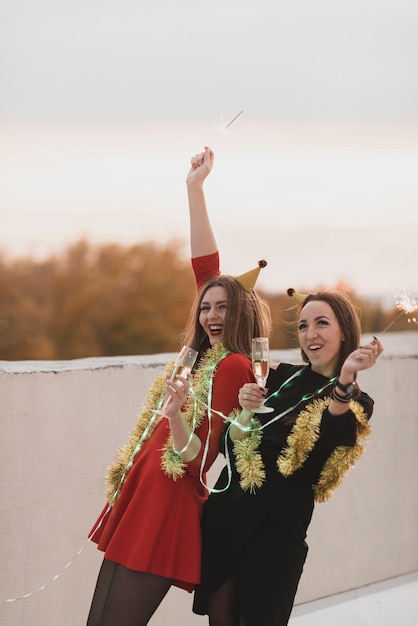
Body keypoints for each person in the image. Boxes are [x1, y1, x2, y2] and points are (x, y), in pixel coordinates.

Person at [187, 150, 384, 625]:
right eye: (304, 326)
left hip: (275, 542)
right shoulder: (273, 376)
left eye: (323, 323)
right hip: (226, 522)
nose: (311, 333)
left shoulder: (355, 400)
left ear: (345, 334)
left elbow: (331, 439)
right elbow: (214, 292)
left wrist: (346, 380)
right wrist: (195, 191)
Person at [85, 149, 271, 626]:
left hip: (165, 507)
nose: (211, 313)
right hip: (143, 495)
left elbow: (197, 461)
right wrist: (194, 188)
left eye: (224, 307)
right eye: (206, 306)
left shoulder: (232, 366)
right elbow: (206, 268)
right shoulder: (202, 356)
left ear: (242, 313)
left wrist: (172, 415)